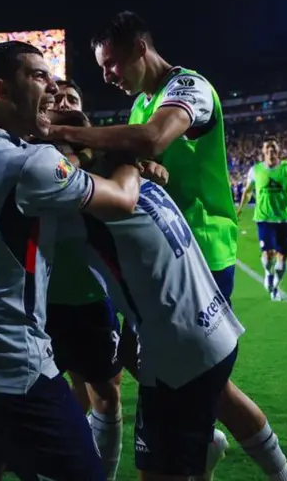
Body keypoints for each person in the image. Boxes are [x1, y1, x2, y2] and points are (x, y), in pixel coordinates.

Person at [47, 12, 287, 481]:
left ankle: (207, 451)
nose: (107, 76)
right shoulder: (140, 104)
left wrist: (61, 132)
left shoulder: (189, 87)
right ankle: (237, 459)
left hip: (199, 252)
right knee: (203, 380)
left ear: (140, 49)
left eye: (111, 63)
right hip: (159, 258)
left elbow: (151, 140)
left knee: (195, 376)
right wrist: (141, 166)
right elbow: (139, 156)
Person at [0, 40, 141, 479]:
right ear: (1, 89)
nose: (53, 87)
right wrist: (129, 152)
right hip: (14, 370)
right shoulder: (29, 164)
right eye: (39, 76)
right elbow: (123, 198)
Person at [46, 129, 242, 481]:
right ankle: (205, 453)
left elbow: (77, 187)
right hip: (211, 326)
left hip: (173, 348)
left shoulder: (93, 204)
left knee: (156, 468)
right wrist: (128, 159)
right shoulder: (145, 184)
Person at [43, 97, 126, 479]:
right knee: (44, 396)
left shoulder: (103, 166)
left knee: (105, 393)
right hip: (42, 303)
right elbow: (60, 172)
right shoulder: (37, 160)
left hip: (93, 297)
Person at [235, 139, 287, 300]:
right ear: (263, 152)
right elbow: (248, 191)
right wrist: (240, 210)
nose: (270, 151)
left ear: (278, 151)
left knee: (283, 258)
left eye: (273, 148)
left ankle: (276, 285)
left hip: (284, 219)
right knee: (268, 256)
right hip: (264, 218)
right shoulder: (255, 170)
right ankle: (268, 273)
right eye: (267, 148)